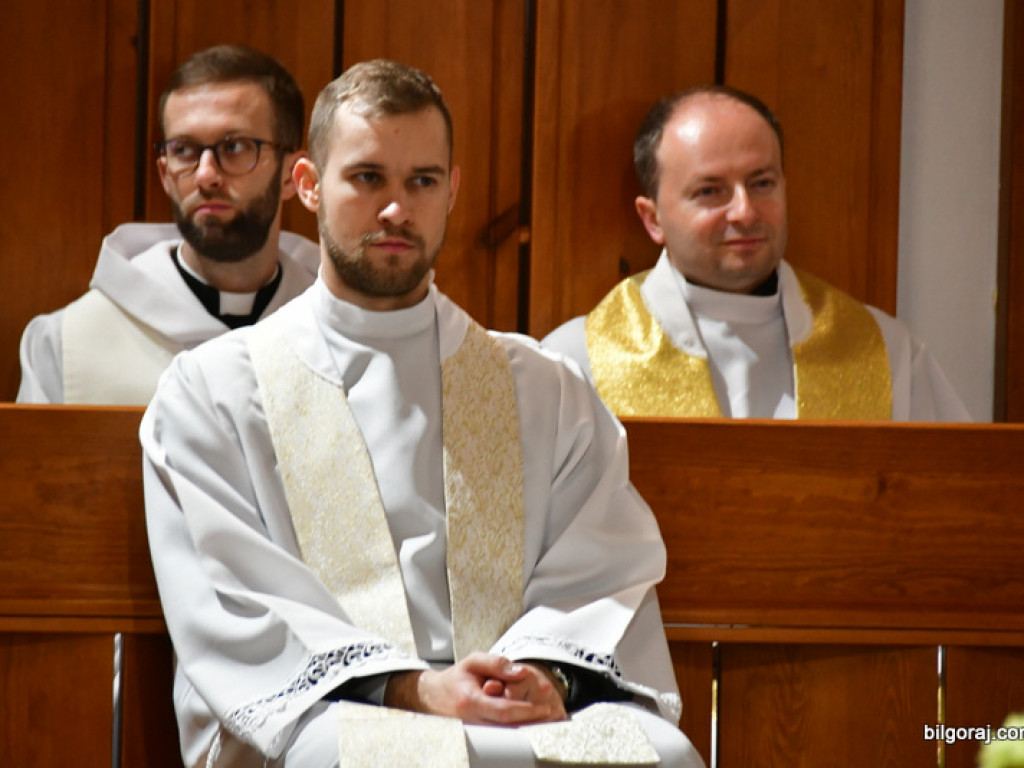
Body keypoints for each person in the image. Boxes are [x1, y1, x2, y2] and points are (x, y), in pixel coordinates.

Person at [140, 59, 704, 768]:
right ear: (309, 186)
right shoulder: (213, 392)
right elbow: (231, 594)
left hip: (520, 698)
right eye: (368, 177)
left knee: (664, 755)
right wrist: (415, 688)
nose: (396, 211)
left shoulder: (542, 388)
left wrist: (545, 672)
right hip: (335, 706)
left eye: (422, 182)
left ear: (452, 190)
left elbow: (602, 567)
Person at [542, 85, 970, 421]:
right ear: (652, 219)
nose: (745, 212)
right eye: (710, 191)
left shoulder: (885, 355)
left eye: (762, 183)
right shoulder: (575, 365)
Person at [16, 45, 319, 405]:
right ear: (164, 174)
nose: (206, 176)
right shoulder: (65, 343)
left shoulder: (333, 327)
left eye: (235, 147)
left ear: (291, 176)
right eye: (185, 151)